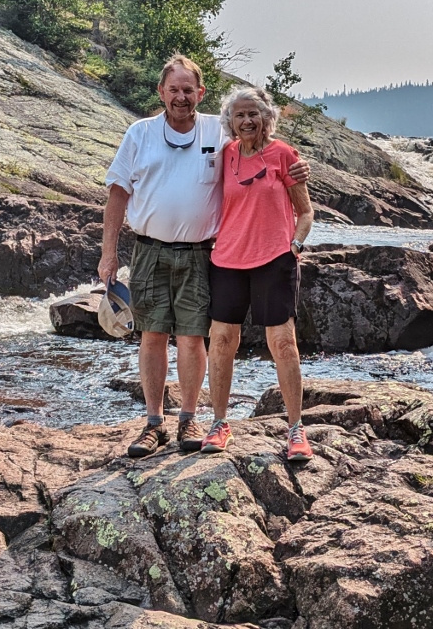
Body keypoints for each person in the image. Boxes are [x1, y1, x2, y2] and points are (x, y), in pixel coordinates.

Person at [99, 55, 309, 458]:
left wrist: (299, 171)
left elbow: (274, 156)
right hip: (152, 251)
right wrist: (109, 254)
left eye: (188, 90)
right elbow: (117, 192)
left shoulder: (219, 128)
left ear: (201, 93)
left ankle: (192, 418)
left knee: (194, 338)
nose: (181, 97)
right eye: (173, 89)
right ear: (161, 92)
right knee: (153, 335)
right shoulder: (140, 133)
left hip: (202, 253)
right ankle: (154, 423)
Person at [200, 86, 314, 461]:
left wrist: (294, 247)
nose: (247, 120)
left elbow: (306, 212)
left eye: (254, 114)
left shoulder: (284, 155)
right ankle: (219, 423)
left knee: (283, 343)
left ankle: (296, 431)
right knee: (220, 342)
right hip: (227, 260)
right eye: (239, 115)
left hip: (274, 260)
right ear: (230, 122)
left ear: (267, 117)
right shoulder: (226, 154)